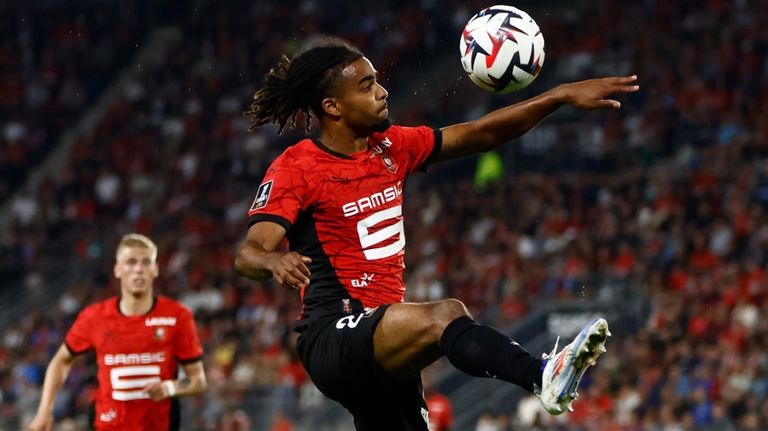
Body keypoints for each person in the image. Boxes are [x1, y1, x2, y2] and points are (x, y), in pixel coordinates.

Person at [235, 38, 631, 430]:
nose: (382, 91)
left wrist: (557, 96)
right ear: (332, 106)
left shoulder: (392, 147)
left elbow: (481, 134)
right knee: (445, 314)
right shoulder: (297, 166)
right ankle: (543, 374)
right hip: (334, 334)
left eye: (377, 81)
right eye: (367, 85)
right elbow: (248, 255)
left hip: (385, 346)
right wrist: (272, 259)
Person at [28, 234, 207, 431]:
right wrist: (44, 411)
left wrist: (170, 388)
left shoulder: (177, 316)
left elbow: (198, 380)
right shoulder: (94, 317)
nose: (138, 269)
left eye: (146, 262)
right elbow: (61, 361)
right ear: (117, 269)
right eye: (131, 262)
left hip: (158, 424)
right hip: (107, 423)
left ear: (155, 270)